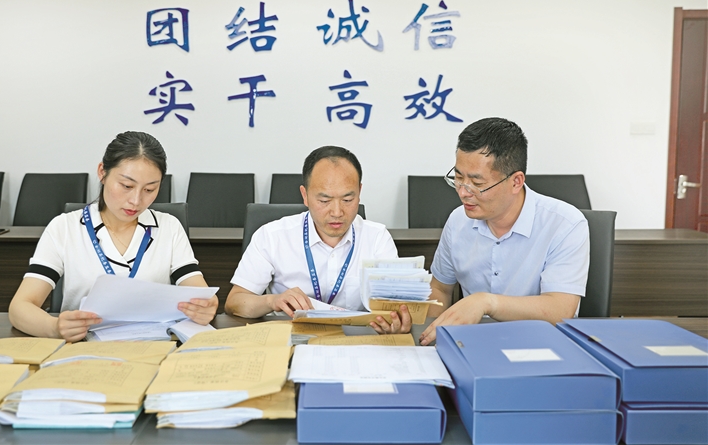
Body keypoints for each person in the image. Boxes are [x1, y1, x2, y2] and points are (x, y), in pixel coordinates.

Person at [9, 131, 218, 342]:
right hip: (84, 348)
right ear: (102, 172)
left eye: (149, 189)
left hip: (154, 347)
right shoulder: (64, 227)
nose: (136, 200)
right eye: (127, 186)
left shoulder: (169, 227)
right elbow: (20, 307)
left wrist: (207, 307)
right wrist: (54, 327)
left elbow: (201, 293)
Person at [419, 117, 589, 346]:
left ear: (516, 181)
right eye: (458, 178)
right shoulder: (458, 221)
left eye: (477, 183)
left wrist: (486, 303)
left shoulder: (565, 224)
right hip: (473, 345)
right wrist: (430, 336)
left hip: (542, 346)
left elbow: (560, 309)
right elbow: (440, 288)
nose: (463, 192)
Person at [225, 146, 412, 333]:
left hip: (354, 340)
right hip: (290, 338)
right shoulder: (272, 236)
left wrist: (397, 320)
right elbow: (234, 302)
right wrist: (272, 301)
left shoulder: (377, 238)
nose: (337, 212)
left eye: (347, 200)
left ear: (359, 192)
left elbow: (397, 304)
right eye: (324, 201)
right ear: (305, 195)